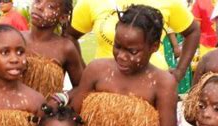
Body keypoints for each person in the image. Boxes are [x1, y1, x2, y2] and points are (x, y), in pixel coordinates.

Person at [67, 0, 200, 82]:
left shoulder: (168, 2)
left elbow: (192, 31)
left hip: (152, 85)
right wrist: (82, 73)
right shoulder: (91, 2)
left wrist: (179, 71)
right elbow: (70, 35)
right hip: (104, 86)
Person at [21, 0, 84, 98]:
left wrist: (60, 99)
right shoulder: (16, 39)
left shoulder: (65, 48)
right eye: (38, 1)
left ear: (63, 17)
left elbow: (81, 86)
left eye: (50, 6)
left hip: (46, 111)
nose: (39, 7)